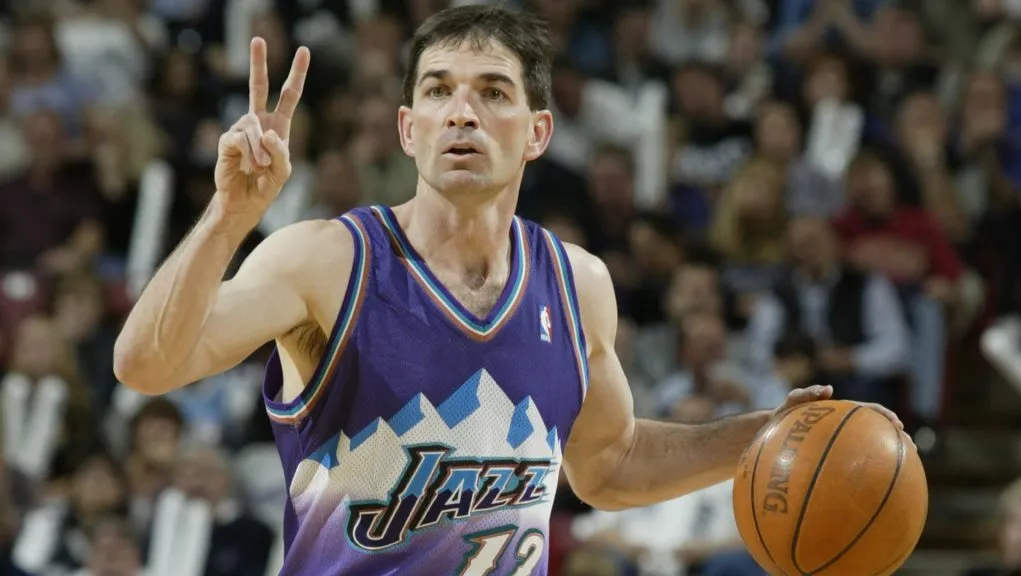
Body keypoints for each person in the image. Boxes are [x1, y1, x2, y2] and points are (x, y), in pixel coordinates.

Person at [113, 5, 907, 575]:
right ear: (406, 127)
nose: (461, 112)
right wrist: (226, 217)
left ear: (537, 133)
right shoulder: (326, 261)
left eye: (492, 91)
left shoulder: (577, 283)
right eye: (437, 90)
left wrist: (764, 436)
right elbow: (145, 367)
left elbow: (609, 464)